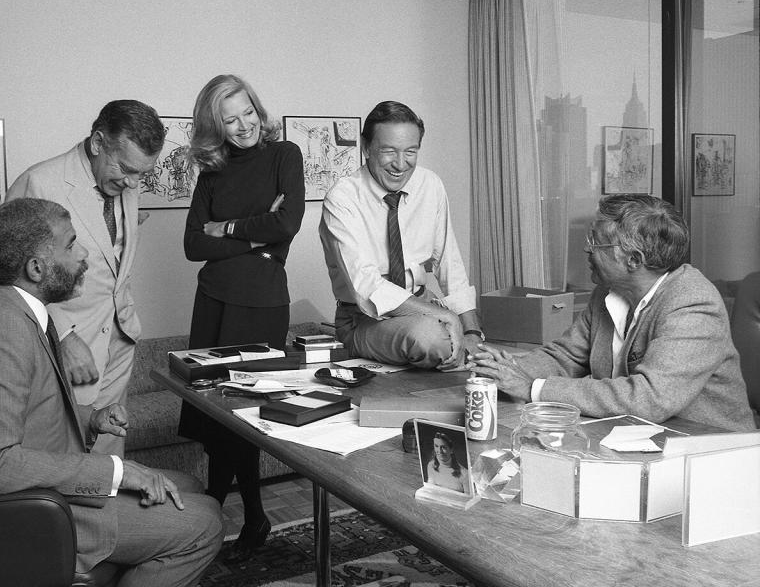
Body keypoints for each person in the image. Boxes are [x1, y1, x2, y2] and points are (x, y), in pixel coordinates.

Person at [0, 198, 222, 587]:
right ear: (36, 268)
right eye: (72, 244)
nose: (85, 254)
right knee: (206, 522)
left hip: (36, 493)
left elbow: (24, 413)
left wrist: (92, 418)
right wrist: (119, 471)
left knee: (188, 487)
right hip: (10, 514)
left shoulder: (17, 311)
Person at [469, 194, 754, 432]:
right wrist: (507, 370)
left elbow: (648, 399)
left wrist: (532, 387)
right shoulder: (608, 290)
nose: (586, 249)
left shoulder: (693, 303)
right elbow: (566, 355)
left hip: (707, 449)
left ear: (633, 260)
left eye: (595, 243)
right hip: (635, 437)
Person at [178, 74, 305, 561]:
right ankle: (229, 515)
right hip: (212, 300)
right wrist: (258, 240)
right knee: (214, 415)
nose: (243, 125)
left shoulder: (284, 155)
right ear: (215, 125)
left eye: (247, 112)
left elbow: (287, 224)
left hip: (262, 301)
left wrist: (227, 229)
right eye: (229, 119)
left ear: (258, 107)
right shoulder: (211, 172)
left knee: (244, 415)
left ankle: (249, 515)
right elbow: (193, 244)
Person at [5, 100, 165, 455]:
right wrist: (62, 336)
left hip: (118, 345)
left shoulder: (126, 182)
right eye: (126, 168)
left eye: (142, 174)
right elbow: (9, 279)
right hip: (67, 351)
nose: (133, 182)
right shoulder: (40, 182)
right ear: (97, 142)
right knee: (65, 463)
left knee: (108, 463)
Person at [319, 100, 483, 371]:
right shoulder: (342, 197)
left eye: (410, 152)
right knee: (432, 339)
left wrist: (472, 333)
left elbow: (449, 262)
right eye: (389, 151)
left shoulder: (430, 185)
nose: (400, 164)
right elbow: (366, 285)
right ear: (366, 147)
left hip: (422, 306)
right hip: (363, 320)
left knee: (470, 346)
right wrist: (446, 318)